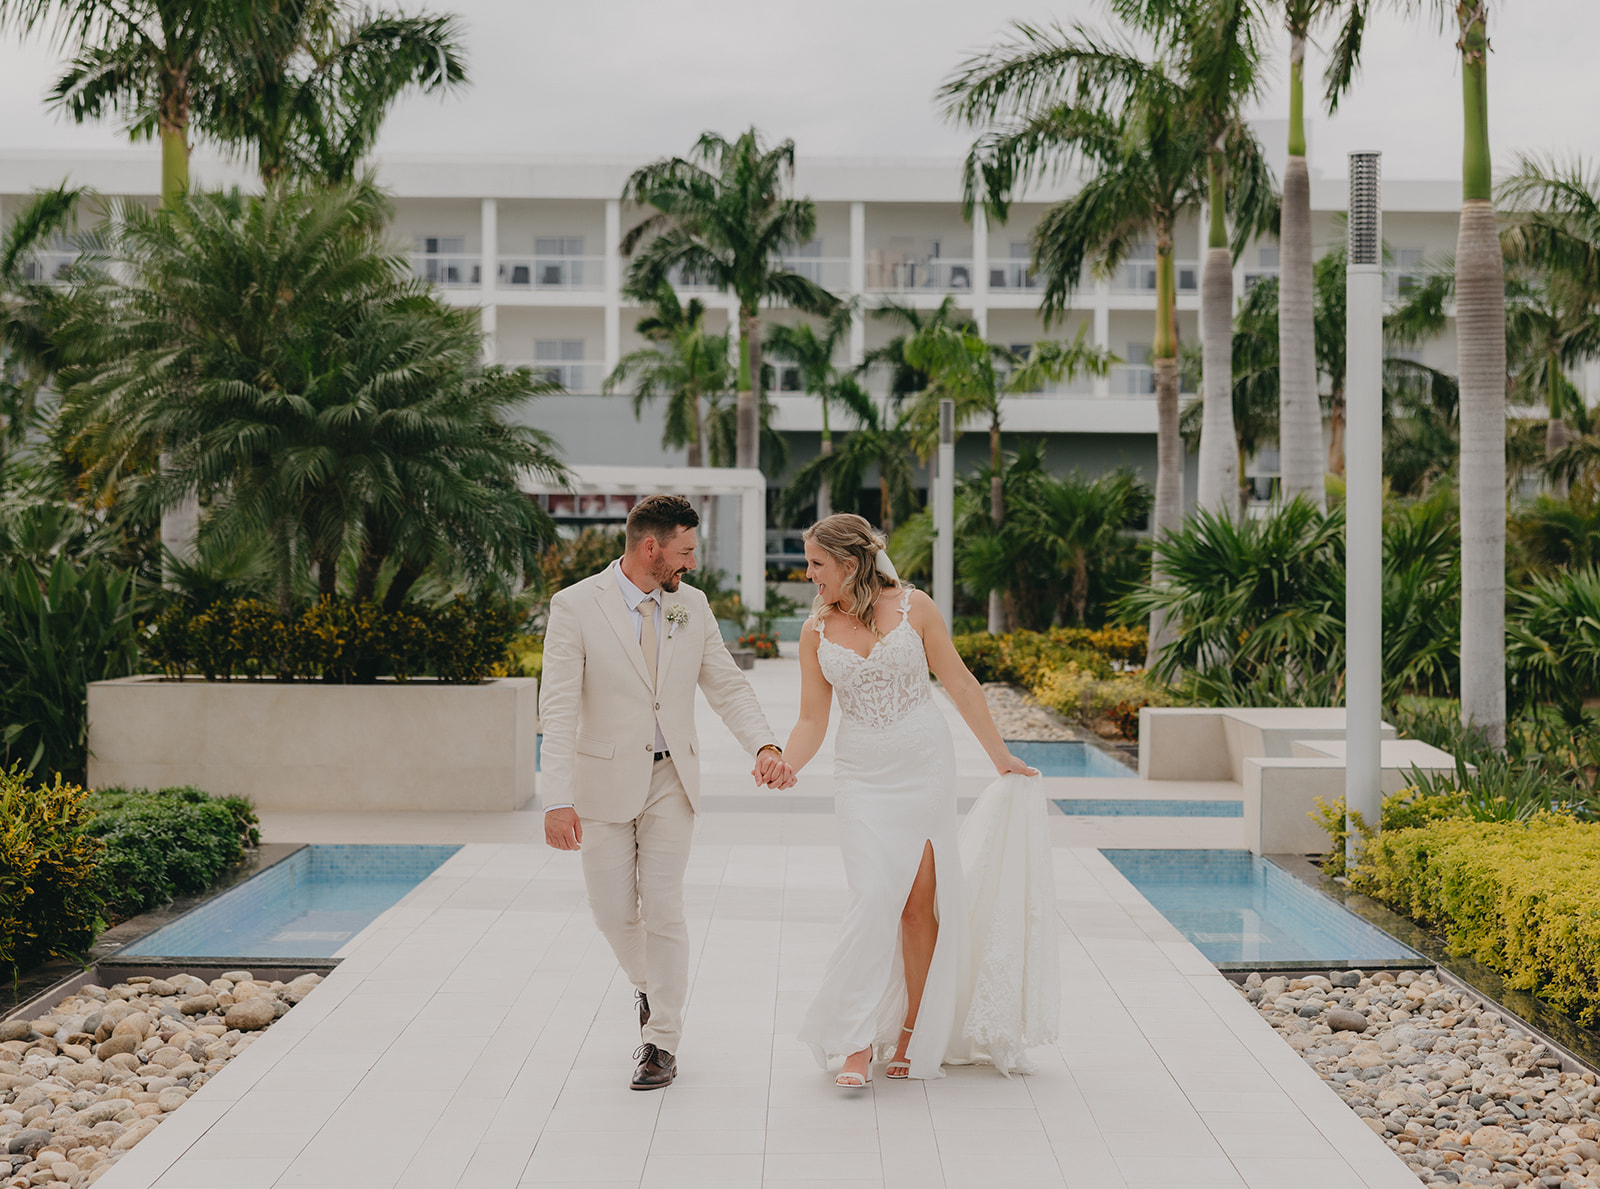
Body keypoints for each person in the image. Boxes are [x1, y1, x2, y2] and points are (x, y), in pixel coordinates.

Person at [540, 494, 796, 1090]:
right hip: (600, 781)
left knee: (664, 908)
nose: (691, 564)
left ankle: (662, 1041)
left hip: (671, 778)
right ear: (649, 548)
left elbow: (726, 683)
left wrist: (763, 744)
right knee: (610, 914)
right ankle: (652, 988)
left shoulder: (692, 606)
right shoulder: (575, 605)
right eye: (683, 552)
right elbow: (556, 708)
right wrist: (556, 799)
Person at [787, 513, 1039, 1086]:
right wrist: (785, 763)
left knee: (917, 906)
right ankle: (853, 1041)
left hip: (923, 768)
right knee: (873, 894)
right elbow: (809, 719)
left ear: (850, 565)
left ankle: (912, 1029)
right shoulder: (815, 630)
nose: (809, 575)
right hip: (860, 777)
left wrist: (1000, 757)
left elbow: (960, 683)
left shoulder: (915, 608)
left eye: (816, 564)